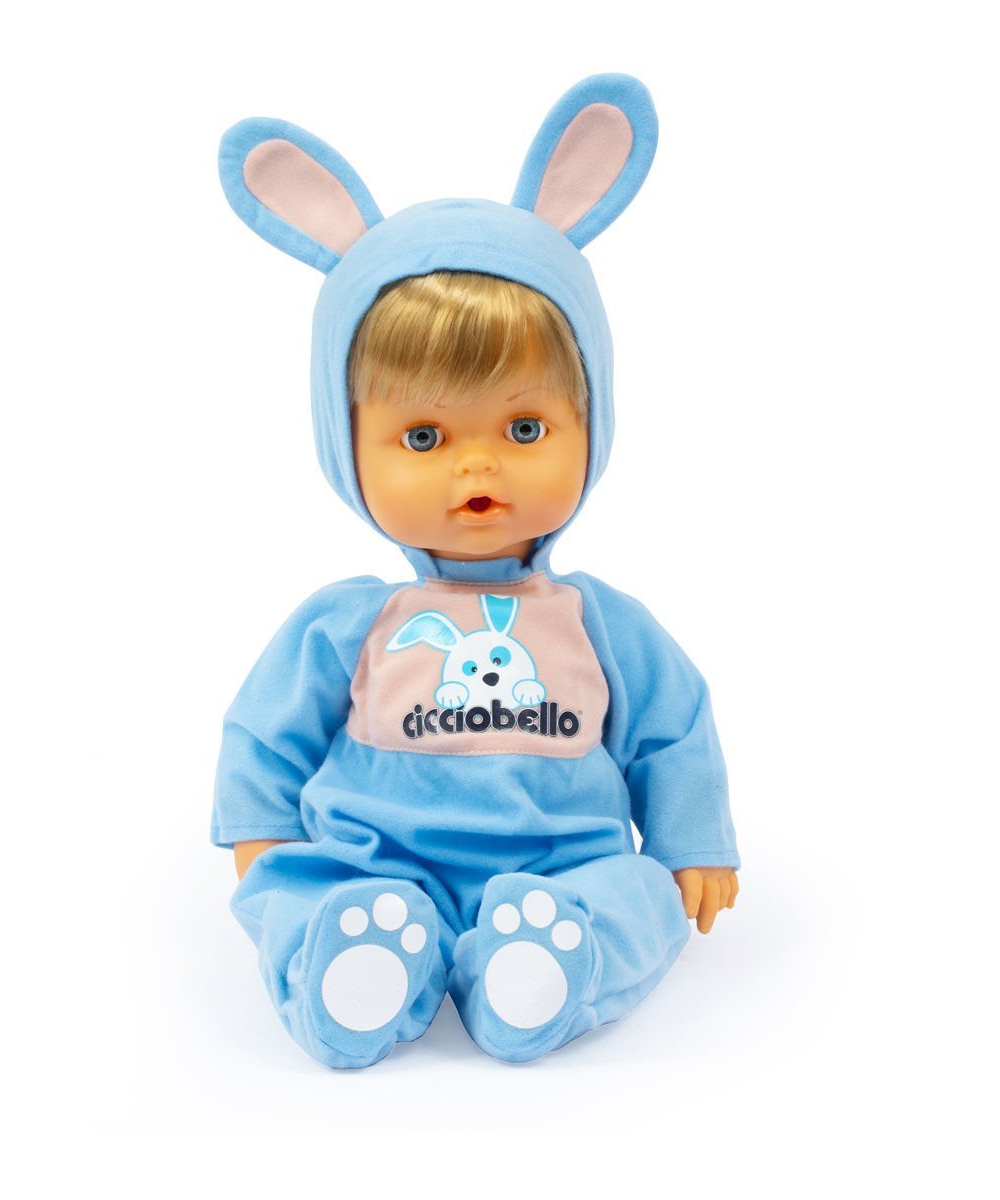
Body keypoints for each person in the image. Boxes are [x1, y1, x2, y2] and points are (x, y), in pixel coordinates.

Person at [213, 74, 740, 1068]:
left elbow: (674, 726)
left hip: (564, 861)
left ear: (591, 424)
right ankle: (354, 958)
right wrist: (258, 829)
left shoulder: (599, 620)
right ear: (346, 446)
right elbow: (265, 725)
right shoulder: (349, 621)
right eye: (424, 436)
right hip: (370, 857)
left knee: (639, 896)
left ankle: (546, 958)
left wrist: (690, 842)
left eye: (524, 428)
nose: (477, 468)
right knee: (298, 891)